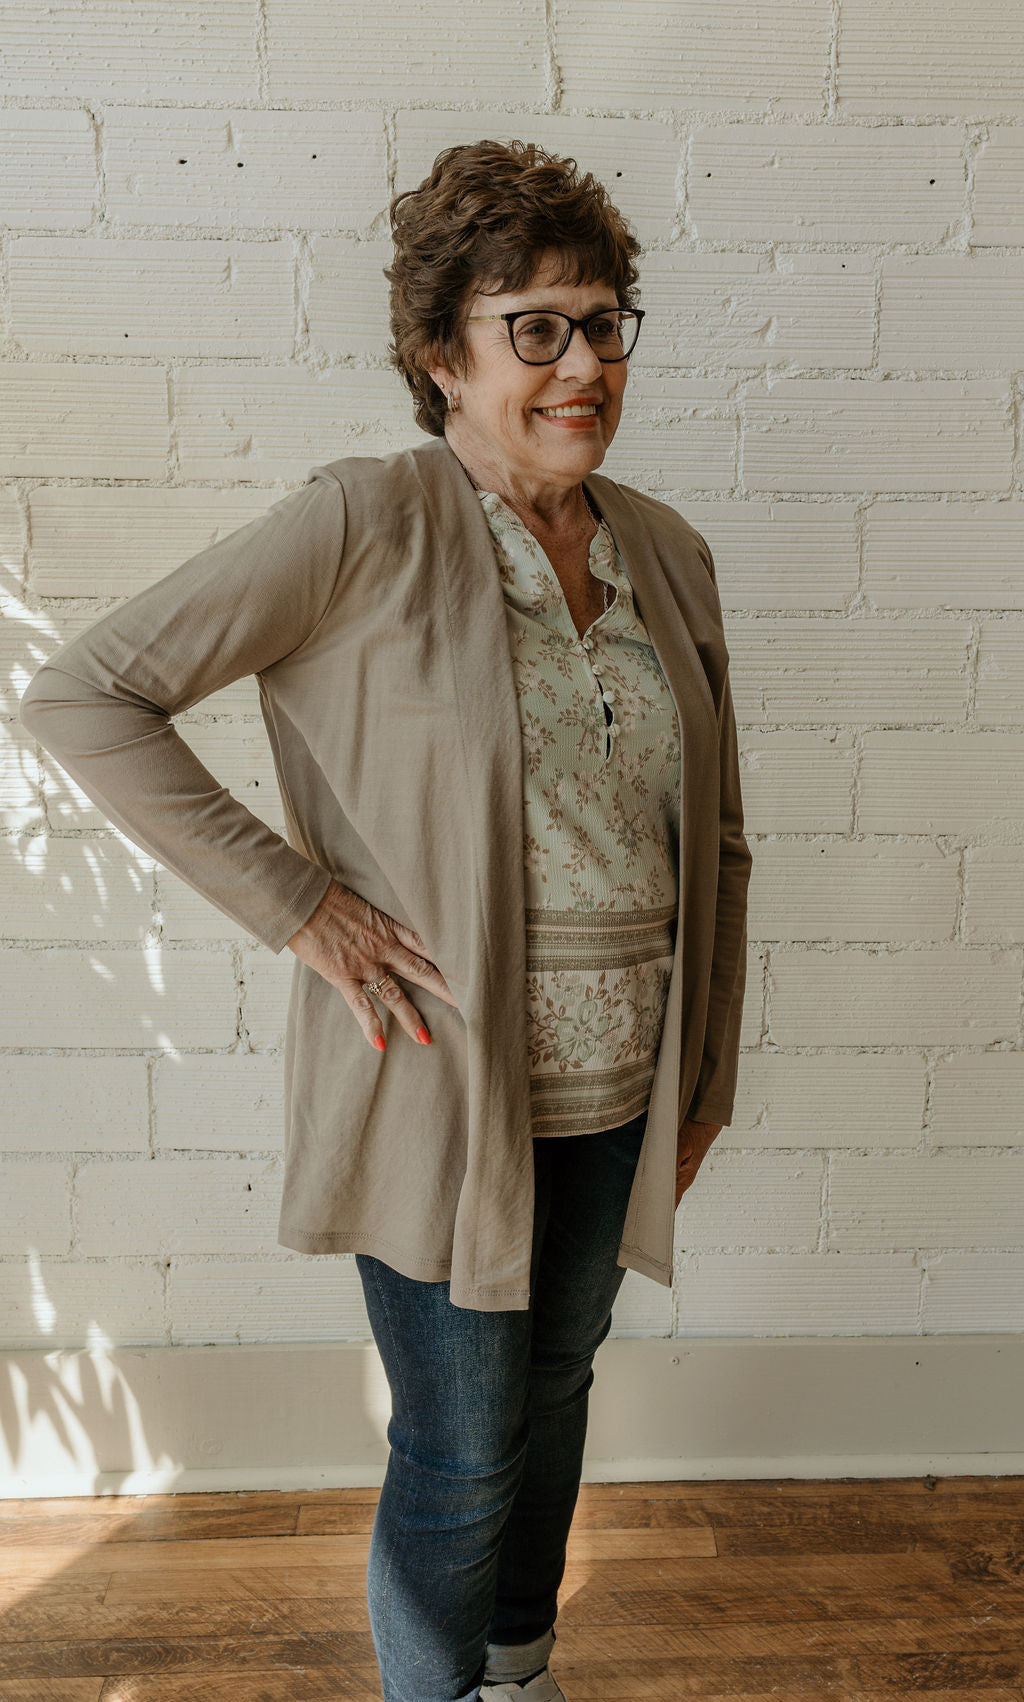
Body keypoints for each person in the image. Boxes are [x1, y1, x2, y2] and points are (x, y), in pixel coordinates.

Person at [18, 139, 751, 1702]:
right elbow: (90, 694)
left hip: (623, 1087)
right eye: (534, 328)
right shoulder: (366, 522)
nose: (582, 364)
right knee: (463, 1446)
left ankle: (519, 1673)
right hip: (441, 1080)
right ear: (442, 356)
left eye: (603, 324)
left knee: (558, 1394)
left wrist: (707, 1073)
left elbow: (722, 845)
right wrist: (302, 904)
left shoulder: (669, 553)